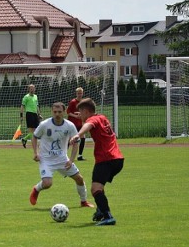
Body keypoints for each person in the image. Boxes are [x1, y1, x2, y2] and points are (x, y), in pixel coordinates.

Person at [29, 102, 94, 209]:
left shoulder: (69, 126)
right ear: (52, 112)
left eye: (59, 112)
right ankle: (36, 189)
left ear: (64, 112)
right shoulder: (45, 124)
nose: (57, 114)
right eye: (55, 112)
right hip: (46, 159)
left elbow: (76, 143)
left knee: (79, 179)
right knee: (47, 183)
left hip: (62, 159)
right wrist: (36, 153)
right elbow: (35, 136)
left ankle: (84, 202)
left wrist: (71, 160)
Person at [70, 97, 124, 226]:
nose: (80, 115)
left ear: (86, 111)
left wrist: (78, 134)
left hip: (106, 159)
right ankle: (101, 211)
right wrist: (82, 117)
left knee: (95, 189)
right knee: (99, 187)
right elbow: (91, 121)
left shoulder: (92, 120)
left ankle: (108, 216)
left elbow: (89, 124)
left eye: (81, 112)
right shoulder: (102, 117)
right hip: (117, 159)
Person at [67, 87, 87, 161]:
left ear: (82, 93)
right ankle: (64, 154)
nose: (80, 95)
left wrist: (82, 116)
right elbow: (68, 112)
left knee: (83, 138)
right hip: (72, 123)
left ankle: (80, 155)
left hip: (80, 123)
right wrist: (76, 116)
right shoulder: (73, 102)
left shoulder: (83, 102)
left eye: (81, 93)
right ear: (76, 94)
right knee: (69, 139)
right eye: (78, 93)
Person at [20, 84, 42, 148]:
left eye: (33, 88)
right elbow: (22, 107)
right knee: (31, 131)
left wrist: (39, 114)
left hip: (35, 114)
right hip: (29, 114)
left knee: (36, 131)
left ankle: (24, 139)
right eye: (31, 88)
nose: (32, 89)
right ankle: (34, 145)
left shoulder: (36, 96)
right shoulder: (26, 97)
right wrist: (21, 116)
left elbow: (37, 106)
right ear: (29, 89)